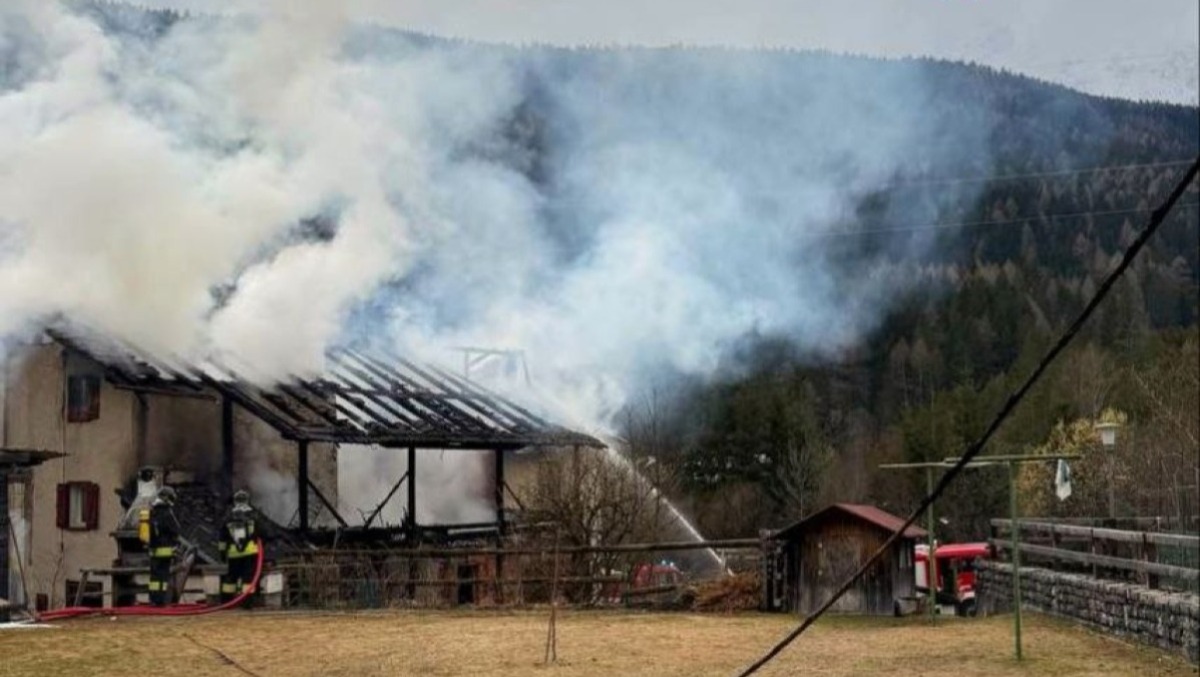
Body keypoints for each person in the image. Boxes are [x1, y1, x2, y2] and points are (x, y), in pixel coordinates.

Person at [218, 490, 259, 604]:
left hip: (233, 553)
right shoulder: (253, 515)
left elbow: (222, 537)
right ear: (247, 500)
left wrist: (222, 553)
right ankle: (247, 602)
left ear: (235, 501)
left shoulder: (228, 516)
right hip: (250, 552)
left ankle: (226, 601)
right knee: (248, 577)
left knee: (231, 576)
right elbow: (262, 533)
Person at [147, 486, 181, 606]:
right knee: (163, 576)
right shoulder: (167, 513)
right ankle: (161, 600)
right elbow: (176, 529)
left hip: (153, 550)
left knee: (154, 577)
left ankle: (153, 600)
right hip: (165, 551)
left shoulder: (152, 512)